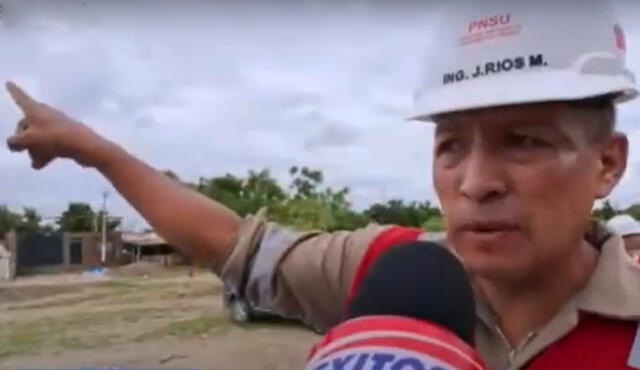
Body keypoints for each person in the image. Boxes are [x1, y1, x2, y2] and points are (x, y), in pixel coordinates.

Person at [4, 1, 640, 369]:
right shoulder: (389, 271)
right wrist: (97, 153)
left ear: (608, 164)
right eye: (450, 145)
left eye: (523, 141)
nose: (475, 183)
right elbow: (234, 244)